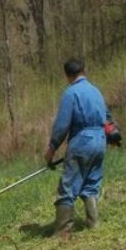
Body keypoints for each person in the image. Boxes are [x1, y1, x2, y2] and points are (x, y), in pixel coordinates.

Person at [44, 58, 111, 236]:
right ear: (84, 70)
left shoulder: (71, 93)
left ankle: (62, 231)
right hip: (100, 140)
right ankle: (93, 223)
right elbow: (108, 118)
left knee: (67, 186)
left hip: (82, 141)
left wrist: (51, 148)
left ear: (67, 75)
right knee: (91, 183)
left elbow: (62, 125)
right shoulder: (96, 91)